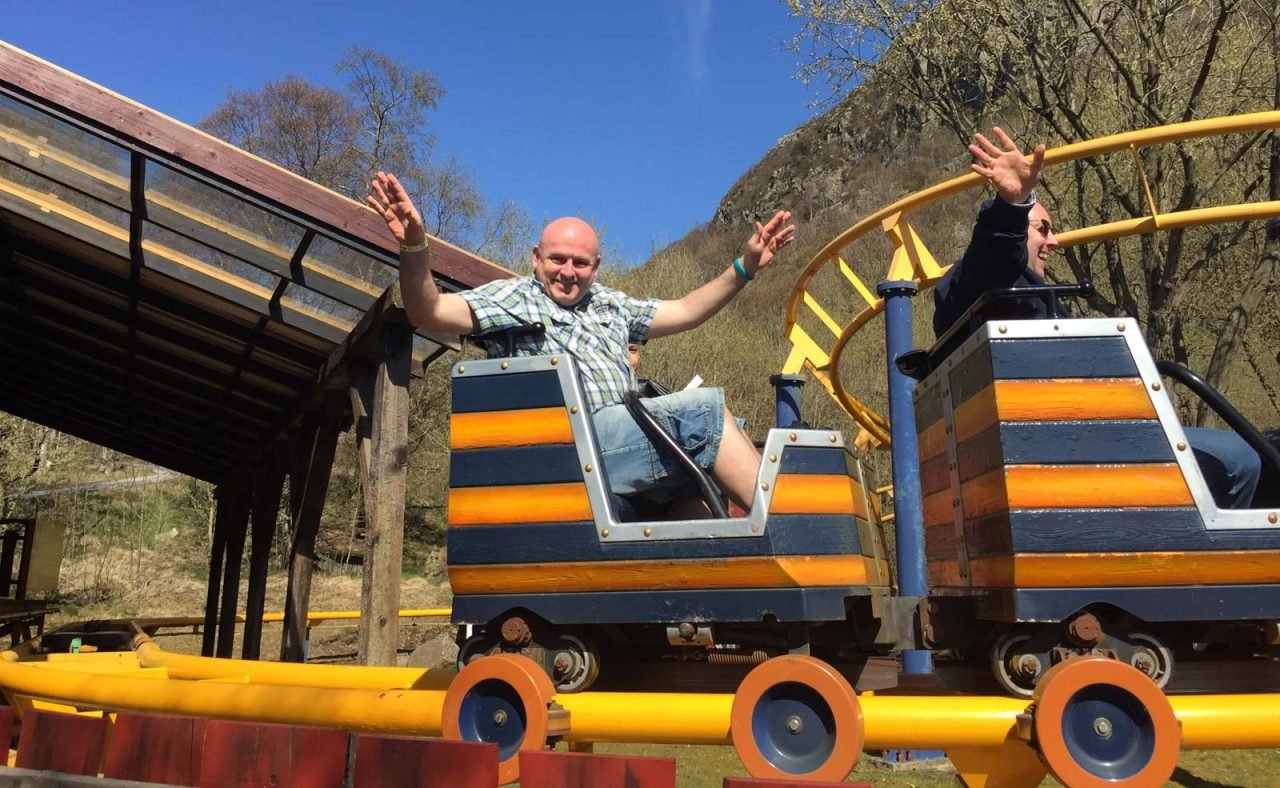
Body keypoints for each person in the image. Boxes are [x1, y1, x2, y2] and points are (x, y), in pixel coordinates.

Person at [367, 171, 795, 511]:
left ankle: (734, 573)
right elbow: (429, 311)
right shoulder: (515, 298)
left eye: (580, 263)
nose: (568, 272)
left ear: (596, 265)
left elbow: (685, 310)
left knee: (720, 446)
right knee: (705, 415)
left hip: (626, 437)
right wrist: (414, 247)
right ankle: (789, 521)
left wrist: (744, 268)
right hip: (571, 448)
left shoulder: (610, 304)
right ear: (536, 258)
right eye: (557, 259)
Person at [933, 127, 1261, 509]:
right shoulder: (991, 285)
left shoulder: (1032, 295)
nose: (1054, 241)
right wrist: (1012, 205)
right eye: (1043, 229)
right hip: (1073, 446)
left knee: (1254, 447)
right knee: (1240, 461)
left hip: (1089, 431)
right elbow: (993, 257)